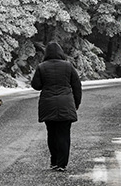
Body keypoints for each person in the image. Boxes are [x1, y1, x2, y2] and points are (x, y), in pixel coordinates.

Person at [31, 42, 82, 172]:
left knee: (52, 134)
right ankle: (62, 164)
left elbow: (36, 85)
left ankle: (54, 161)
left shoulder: (41, 67)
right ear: (61, 52)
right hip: (66, 103)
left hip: (48, 105)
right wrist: (76, 103)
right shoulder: (68, 66)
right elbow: (77, 86)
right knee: (64, 135)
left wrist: (45, 82)